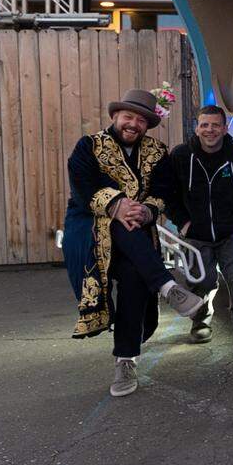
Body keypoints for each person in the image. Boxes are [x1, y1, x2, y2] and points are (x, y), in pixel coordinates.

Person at [65, 88, 205, 397]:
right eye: (128, 117)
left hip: (137, 236)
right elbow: (81, 185)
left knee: (134, 280)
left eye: (141, 120)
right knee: (121, 222)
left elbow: (165, 190)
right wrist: (117, 206)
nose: (133, 124)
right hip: (90, 229)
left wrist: (147, 210)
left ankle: (125, 360)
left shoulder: (157, 151)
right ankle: (168, 286)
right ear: (115, 116)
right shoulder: (89, 146)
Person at [165, 104, 233, 364]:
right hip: (195, 235)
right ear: (196, 128)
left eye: (215, 125)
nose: (210, 130)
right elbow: (168, 194)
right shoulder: (181, 156)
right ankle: (201, 321)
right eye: (205, 125)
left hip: (230, 235)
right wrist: (183, 223)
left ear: (225, 128)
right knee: (203, 281)